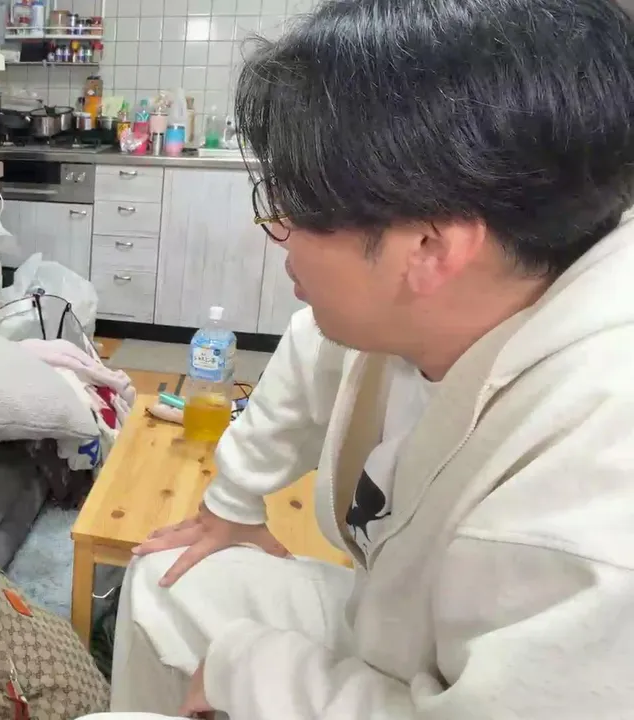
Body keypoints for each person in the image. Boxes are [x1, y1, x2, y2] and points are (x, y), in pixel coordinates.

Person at [81, 0, 634, 718]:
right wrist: (232, 506)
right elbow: (306, 365)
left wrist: (248, 672)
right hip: (399, 628)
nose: (276, 231)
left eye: (296, 207)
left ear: (429, 248)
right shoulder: (456, 299)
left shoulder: (594, 492)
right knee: (170, 579)